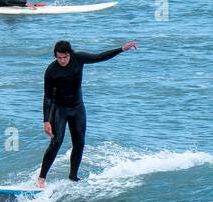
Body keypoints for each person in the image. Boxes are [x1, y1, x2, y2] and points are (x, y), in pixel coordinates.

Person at [37, 39, 138, 187]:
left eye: (65, 57)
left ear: (70, 54)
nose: (62, 60)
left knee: (79, 142)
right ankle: (41, 178)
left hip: (77, 107)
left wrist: (121, 49)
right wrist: (46, 121)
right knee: (56, 142)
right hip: (60, 109)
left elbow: (100, 57)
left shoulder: (79, 58)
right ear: (55, 56)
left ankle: (73, 177)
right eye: (59, 58)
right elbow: (48, 97)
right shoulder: (51, 70)